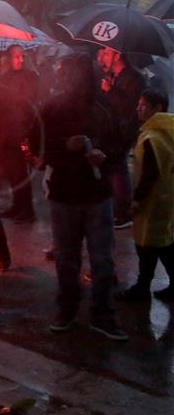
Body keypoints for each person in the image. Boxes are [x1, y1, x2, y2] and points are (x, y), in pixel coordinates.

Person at [29, 53, 127, 340]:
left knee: (101, 259)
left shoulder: (105, 106)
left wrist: (104, 157)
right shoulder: (51, 108)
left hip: (97, 194)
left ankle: (102, 314)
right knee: (67, 257)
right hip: (65, 193)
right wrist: (64, 147)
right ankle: (68, 309)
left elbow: (119, 144)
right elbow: (36, 144)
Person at [117, 89, 174, 302]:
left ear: (157, 108)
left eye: (143, 105)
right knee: (163, 243)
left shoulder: (153, 138)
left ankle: (142, 288)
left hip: (152, 200)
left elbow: (150, 174)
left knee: (146, 245)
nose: (138, 108)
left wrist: (137, 200)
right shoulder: (169, 131)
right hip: (167, 197)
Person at [96, 46, 146, 229]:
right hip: (113, 129)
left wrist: (111, 90)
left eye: (107, 53)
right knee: (113, 167)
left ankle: (123, 212)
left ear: (117, 56)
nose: (104, 56)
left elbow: (130, 107)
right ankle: (117, 208)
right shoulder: (116, 76)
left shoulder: (134, 78)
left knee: (118, 167)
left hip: (124, 130)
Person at [0, 45, 39, 223]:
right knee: (12, 171)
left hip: (21, 128)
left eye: (22, 56)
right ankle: (17, 205)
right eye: (16, 57)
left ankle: (27, 209)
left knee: (20, 172)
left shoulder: (30, 77)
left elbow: (30, 100)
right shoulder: (4, 77)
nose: (20, 60)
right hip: (6, 128)